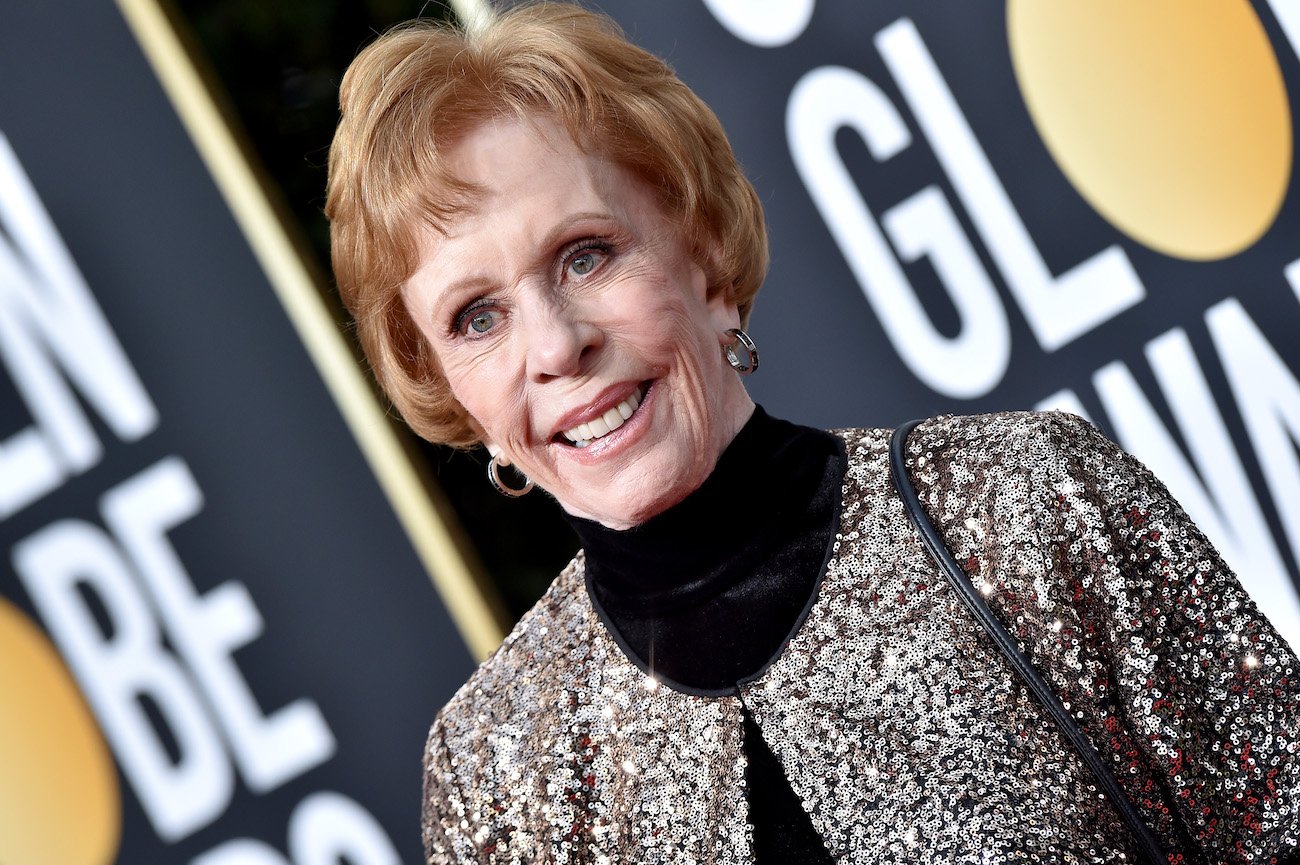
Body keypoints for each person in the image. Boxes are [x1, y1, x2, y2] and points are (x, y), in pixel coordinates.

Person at [325, 4, 1300, 863]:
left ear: (702, 251)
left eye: (586, 256)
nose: (554, 345)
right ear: (447, 387)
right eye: (477, 318)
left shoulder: (1026, 503)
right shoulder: (499, 763)